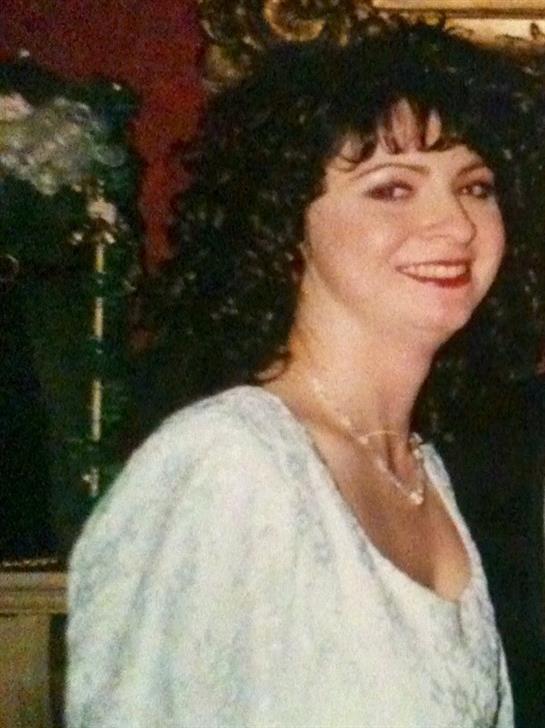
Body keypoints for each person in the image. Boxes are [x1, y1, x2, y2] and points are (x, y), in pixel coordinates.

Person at [66, 13, 545, 728]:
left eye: (475, 186)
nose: (455, 225)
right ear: (285, 221)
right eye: (392, 188)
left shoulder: (428, 473)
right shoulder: (227, 465)